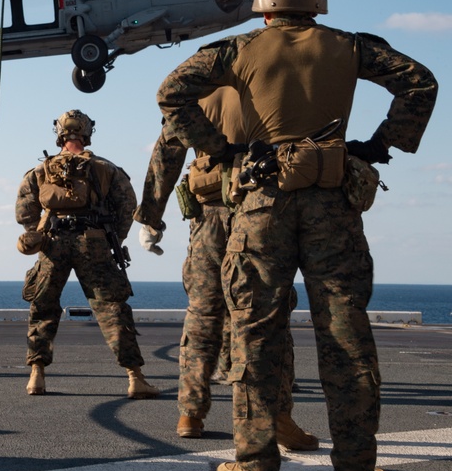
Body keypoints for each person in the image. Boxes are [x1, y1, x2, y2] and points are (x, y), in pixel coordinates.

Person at [155, 0, 438, 471]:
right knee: (346, 335)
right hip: (333, 200)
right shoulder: (351, 46)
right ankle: (355, 467)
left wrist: (221, 149)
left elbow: (171, 92)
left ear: (264, 6)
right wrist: (380, 144)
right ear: (316, 3)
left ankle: (256, 465)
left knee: (254, 333)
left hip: (261, 205)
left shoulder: (236, 50)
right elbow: (420, 82)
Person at [134, 87, 318, 450]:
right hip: (263, 213)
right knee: (267, 316)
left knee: (202, 315)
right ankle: (278, 416)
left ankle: (190, 413)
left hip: (209, 219)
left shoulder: (202, 93)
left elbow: (167, 152)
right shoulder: (277, 82)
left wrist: (151, 217)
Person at [15, 110, 159, 399]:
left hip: (52, 243)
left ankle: (37, 375)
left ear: (59, 133)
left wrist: (40, 235)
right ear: (86, 132)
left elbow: (24, 213)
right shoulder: (105, 168)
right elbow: (127, 206)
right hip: (93, 242)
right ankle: (135, 378)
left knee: (43, 308)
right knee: (112, 309)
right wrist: (111, 238)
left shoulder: (40, 171)